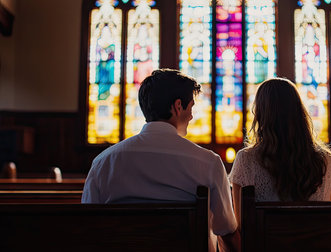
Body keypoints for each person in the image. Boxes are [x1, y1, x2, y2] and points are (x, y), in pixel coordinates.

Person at [82, 69, 240, 252]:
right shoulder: (208, 163)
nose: (191, 116)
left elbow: (89, 225)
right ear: (178, 106)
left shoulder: (104, 162)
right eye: (191, 107)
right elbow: (226, 232)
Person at [229, 77, 331, 224]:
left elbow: (241, 225)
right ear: (299, 112)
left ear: (260, 115)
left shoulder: (246, 160)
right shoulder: (325, 160)